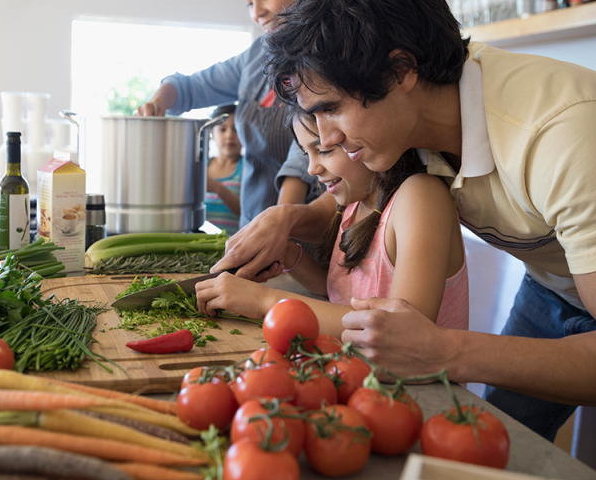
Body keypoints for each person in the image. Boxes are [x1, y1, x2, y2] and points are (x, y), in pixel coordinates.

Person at [214, 0, 596, 480]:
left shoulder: (562, 133)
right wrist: (290, 218)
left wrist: (448, 350)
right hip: (552, 284)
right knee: (498, 452)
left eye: (331, 108)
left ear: (401, 70)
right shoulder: (413, 119)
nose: (327, 138)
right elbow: (356, 198)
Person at [196, 109, 469, 336]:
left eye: (324, 151)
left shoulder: (420, 197)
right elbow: (338, 293)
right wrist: (290, 254)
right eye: (308, 154)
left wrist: (265, 301)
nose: (312, 169)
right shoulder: (353, 206)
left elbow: (402, 332)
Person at [136, 0, 327, 227]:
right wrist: (159, 101)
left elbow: (305, 149)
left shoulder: (327, 57)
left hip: (302, 231)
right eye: (249, 2)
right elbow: (188, 87)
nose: (257, 12)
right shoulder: (257, 57)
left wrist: (279, 223)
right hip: (254, 226)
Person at [205, 104, 243, 234]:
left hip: (233, 246)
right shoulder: (202, 166)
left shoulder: (247, 168)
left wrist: (218, 188)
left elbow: (246, 211)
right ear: (212, 133)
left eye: (236, 129)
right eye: (222, 129)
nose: (229, 135)